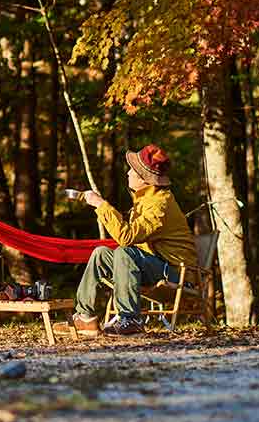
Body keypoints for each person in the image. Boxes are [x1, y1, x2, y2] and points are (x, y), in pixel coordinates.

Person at [71, 144, 198, 336]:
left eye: (132, 170)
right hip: (152, 266)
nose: (128, 173)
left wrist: (100, 204)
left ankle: (131, 320)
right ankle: (85, 318)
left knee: (124, 252)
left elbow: (126, 238)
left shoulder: (159, 205)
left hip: (175, 273)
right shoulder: (145, 199)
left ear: (144, 179)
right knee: (100, 253)